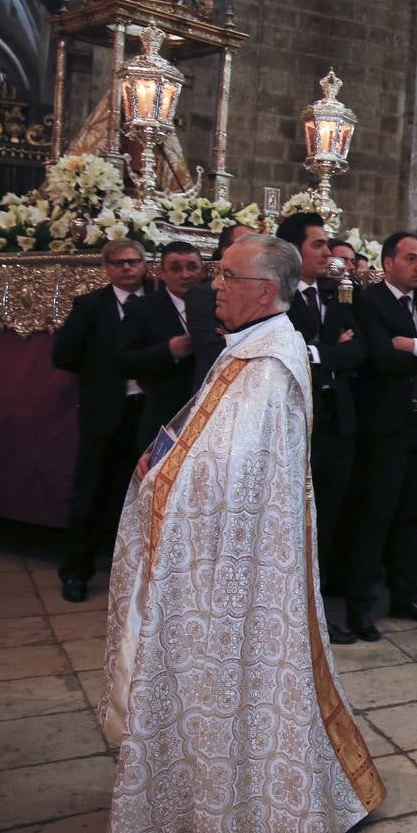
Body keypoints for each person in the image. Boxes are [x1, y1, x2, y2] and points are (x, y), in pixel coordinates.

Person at [97, 234, 385, 833]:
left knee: (244, 680)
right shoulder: (249, 346)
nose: (214, 285)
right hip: (232, 550)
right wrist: (166, 456)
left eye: (226, 275)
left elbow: (232, 466)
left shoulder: (269, 363)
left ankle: (249, 804)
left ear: (261, 289)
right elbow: (206, 435)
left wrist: (168, 474)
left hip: (243, 561)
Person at [343, 231, 417, 639]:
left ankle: (407, 595)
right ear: (388, 262)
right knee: (376, 516)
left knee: (413, 515)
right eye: (410, 258)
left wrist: (412, 345)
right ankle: (359, 607)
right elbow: (380, 357)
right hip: (388, 426)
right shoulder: (370, 302)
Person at [277, 212, 366, 644]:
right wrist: (330, 351)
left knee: (326, 521)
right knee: (292, 522)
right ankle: (286, 613)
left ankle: (316, 611)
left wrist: (320, 353)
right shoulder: (277, 298)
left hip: (339, 426)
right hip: (297, 426)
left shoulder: (338, 297)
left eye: (329, 245)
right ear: (293, 250)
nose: (328, 253)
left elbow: (359, 352)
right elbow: (289, 354)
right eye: (319, 245)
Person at [52, 238, 147, 603]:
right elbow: (64, 355)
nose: (127, 268)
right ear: (107, 268)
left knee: (141, 492)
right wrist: (102, 376)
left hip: (146, 412)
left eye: (133, 261)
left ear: (144, 264)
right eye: (119, 262)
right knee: (91, 492)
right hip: (105, 411)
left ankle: (136, 571)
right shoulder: (91, 306)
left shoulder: (156, 302)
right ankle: (76, 571)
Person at [116, 241, 202, 450]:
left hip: (210, 412)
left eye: (192, 267)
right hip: (164, 416)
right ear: (161, 273)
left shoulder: (219, 304)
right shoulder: (142, 309)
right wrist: (168, 351)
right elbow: (124, 361)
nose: (185, 275)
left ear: (202, 270)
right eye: (176, 268)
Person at [188, 225, 258, 388]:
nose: (254, 250)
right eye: (246, 244)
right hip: (217, 386)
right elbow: (212, 349)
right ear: (225, 251)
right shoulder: (204, 294)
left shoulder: (261, 288)